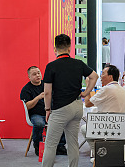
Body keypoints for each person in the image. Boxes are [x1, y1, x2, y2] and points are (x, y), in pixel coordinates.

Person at [42, 34, 98, 167]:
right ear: (69, 48)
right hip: (77, 106)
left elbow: (47, 92)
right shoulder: (78, 63)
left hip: (60, 109)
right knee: (73, 143)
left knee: (50, 144)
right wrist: (86, 92)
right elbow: (94, 76)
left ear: (55, 49)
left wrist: (47, 109)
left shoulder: (51, 66)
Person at [84, 64, 125, 158]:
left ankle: (98, 155)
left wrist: (88, 85)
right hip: (120, 126)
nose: (101, 76)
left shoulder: (107, 89)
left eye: (103, 73)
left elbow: (87, 103)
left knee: (84, 129)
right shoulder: (122, 89)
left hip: (107, 126)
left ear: (110, 77)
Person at [20, 66, 65, 156]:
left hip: (51, 112)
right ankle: (38, 146)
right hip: (36, 114)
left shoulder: (47, 85)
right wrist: (38, 97)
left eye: (38, 73)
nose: (37, 75)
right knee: (39, 123)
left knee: (61, 120)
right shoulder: (26, 89)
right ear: (29, 77)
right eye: (34, 74)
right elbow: (27, 106)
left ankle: (60, 146)